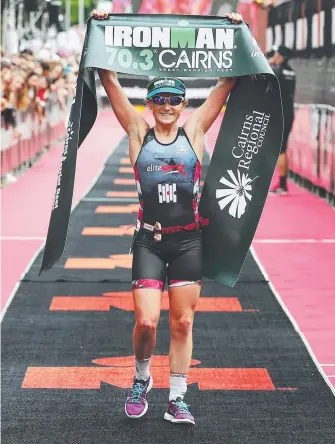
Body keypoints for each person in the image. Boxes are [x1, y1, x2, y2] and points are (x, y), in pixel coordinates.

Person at [92, 9, 243, 425]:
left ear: (183, 104)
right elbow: (109, 79)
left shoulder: (193, 132)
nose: (167, 106)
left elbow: (226, 83)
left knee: (183, 321)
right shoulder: (138, 133)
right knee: (146, 320)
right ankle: (141, 376)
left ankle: (177, 397)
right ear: (150, 103)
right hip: (150, 241)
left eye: (174, 99)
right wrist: (100, 24)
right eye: (159, 99)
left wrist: (235, 28)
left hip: (189, 241)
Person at [269, 45, 296, 195]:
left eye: (276, 53)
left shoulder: (277, 71)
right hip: (289, 112)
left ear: (280, 56)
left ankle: (283, 185)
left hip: (279, 114)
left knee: (280, 150)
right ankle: (283, 183)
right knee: (282, 148)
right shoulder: (291, 71)